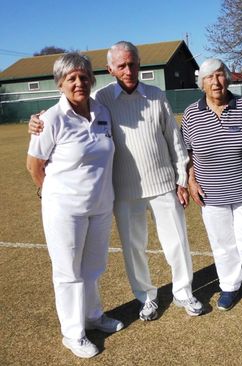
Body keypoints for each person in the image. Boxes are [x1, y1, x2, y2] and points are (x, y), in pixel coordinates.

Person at [30, 41, 203, 321]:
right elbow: (68, 107)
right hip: (123, 192)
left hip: (163, 185)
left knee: (177, 243)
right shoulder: (101, 99)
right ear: (110, 69)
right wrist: (36, 119)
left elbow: (175, 139)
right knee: (134, 249)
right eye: (121, 65)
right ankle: (146, 297)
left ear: (139, 64)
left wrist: (181, 179)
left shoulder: (157, 95)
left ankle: (184, 292)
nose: (128, 70)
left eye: (132, 63)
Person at [26, 53, 123, 359]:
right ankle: (73, 332)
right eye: (71, 78)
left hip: (100, 206)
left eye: (83, 77)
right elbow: (34, 166)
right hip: (64, 210)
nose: (79, 83)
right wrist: (53, 195)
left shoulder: (102, 111)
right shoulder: (50, 119)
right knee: (68, 272)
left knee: (93, 267)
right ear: (60, 83)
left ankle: (93, 316)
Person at [181, 58, 242, 312]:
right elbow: (188, 153)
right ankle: (230, 286)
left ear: (228, 78)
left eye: (220, 75)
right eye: (210, 77)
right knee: (222, 243)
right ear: (202, 83)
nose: (216, 82)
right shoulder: (191, 114)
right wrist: (191, 180)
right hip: (211, 193)